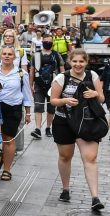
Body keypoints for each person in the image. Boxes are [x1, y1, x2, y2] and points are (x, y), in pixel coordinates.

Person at [50, 49, 105, 210]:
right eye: (75, 61)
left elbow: (101, 98)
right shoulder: (62, 78)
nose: (78, 64)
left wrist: (95, 94)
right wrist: (65, 100)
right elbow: (53, 100)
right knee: (66, 156)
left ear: (86, 62)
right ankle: (65, 188)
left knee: (90, 158)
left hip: (87, 121)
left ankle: (95, 197)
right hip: (64, 121)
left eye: (81, 61)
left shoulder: (92, 76)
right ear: (69, 62)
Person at [0, 47, 31, 181]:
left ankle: (7, 169)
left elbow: (26, 93)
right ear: (0, 56)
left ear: (14, 57)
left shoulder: (21, 73)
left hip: (13, 108)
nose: (6, 56)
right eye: (4, 54)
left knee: (8, 138)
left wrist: (28, 112)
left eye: (9, 54)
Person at [29, 34, 63, 139]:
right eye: (46, 42)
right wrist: (30, 84)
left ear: (52, 43)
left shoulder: (56, 55)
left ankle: (48, 127)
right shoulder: (36, 55)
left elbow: (62, 70)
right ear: (42, 42)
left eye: (50, 42)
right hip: (39, 84)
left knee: (51, 108)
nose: (48, 43)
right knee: (38, 106)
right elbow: (32, 70)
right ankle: (38, 129)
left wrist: (63, 84)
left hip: (54, 86)